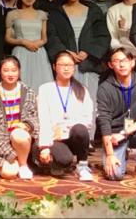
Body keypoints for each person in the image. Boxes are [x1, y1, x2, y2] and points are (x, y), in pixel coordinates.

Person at [97, 47, 136, 183]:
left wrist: (125, 133)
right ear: (110, 65)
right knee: (114, 175)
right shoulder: (104, 88)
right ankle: (120, 153)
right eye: (116, 61)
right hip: (115, 136)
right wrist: (110, 154)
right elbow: (104, 121)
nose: (121, 64)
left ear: (132, 63)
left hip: (135, 131)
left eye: (125, 60)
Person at [46, 0, 110, 107]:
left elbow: (102, 35)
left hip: (88, 60)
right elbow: (52, 36)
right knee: (66, 99)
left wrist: (87, 51)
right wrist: (65, 53)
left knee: (89, 99)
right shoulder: (56, 12)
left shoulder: (93, 10)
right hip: (66, 60)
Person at [36, 51, 95, 181]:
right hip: (54, 138)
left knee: (80, 129)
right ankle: (55, 161)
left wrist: (64, 128)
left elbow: (87, 120)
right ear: (54, 67)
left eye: (70, 65)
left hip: (72, 135)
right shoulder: (45, 89)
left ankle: (82, 165)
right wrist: (45, 147)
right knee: (64, 160)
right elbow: (43, 119)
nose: (66, 68)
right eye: (62, 65)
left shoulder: (81, 90)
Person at [0, 56, 38, 180]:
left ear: (19, 71)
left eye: (14, 70)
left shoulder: (28, 92)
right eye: (6, 70)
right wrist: (11, 154)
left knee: (19, 134)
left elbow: (34, 119)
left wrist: (26, 125)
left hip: (23, 142)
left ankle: (23, 164)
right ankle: (19, 162)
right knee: (9, 173)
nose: (10, 74)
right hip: (1, 146)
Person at [4, 0, 52, 91]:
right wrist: (23, 42)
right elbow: (7, 38)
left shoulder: (42, 14)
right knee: (20, 84)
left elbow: (44, 38)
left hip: (38, 52)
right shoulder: (12, 14)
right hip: (21, 52)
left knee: (41, 83)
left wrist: (36, 44)